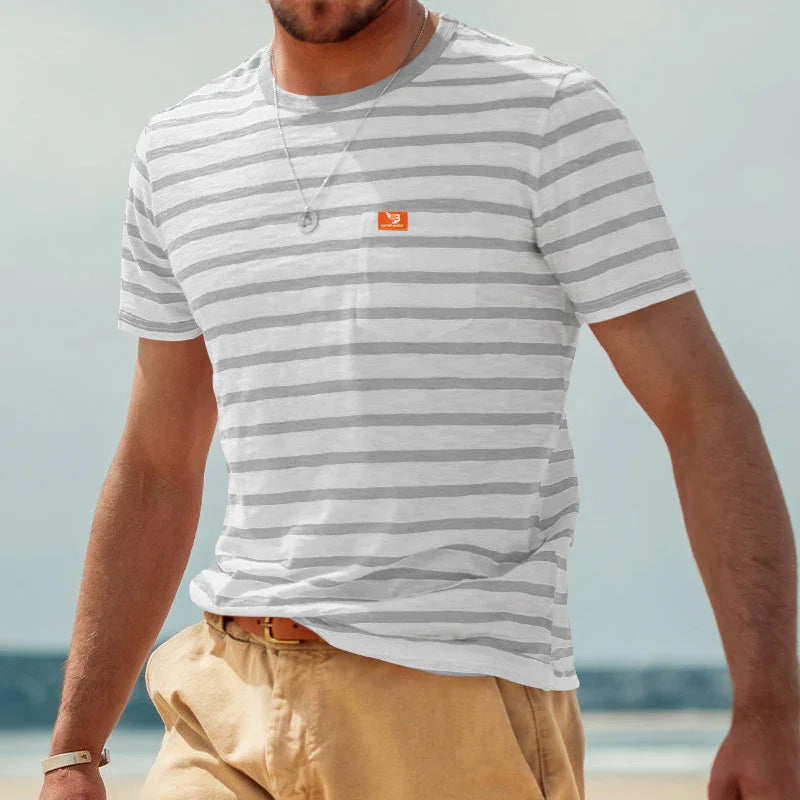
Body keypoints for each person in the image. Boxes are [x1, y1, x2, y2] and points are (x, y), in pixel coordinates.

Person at [40, 2, 799, 798]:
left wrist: (770, 709)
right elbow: (158, 461)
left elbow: (700, 409)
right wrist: (73, 748)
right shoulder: (180, 150)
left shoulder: (546, 116)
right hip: (227, 695)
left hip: (451, 702)